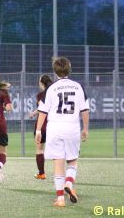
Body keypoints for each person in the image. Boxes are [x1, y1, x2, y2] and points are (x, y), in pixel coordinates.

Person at [35, 57, 90, 208]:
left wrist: (38, 130)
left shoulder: (51, 89)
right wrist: (85, 129)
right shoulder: (78, 87)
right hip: (72, 128)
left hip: (54, 129)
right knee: (72, 160)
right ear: (69, 69)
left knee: (58, 163)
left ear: (55, 71)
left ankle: (60, 199)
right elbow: (85, 110)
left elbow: (42, 112)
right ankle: (69, 184)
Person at [27, 74, 53, 179]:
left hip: (42, 126)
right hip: (54, 125)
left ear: (42, 83)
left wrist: (33, 113)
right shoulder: (55, 93)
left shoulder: (40, 95)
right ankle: (62, 174)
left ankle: (41, 173)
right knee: (59, 150)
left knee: (39, 149)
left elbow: (42, 109)